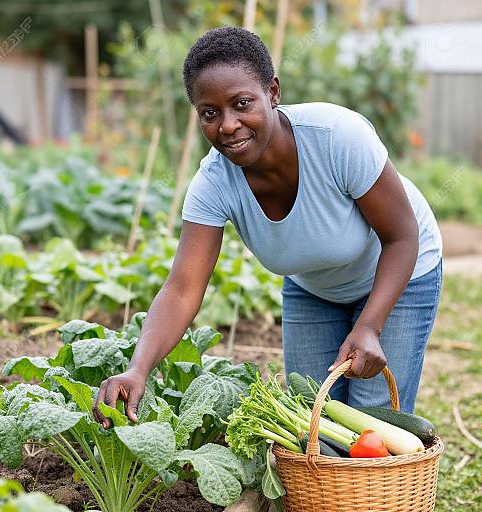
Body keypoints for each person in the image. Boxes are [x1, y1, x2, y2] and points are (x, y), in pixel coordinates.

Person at [93, 26, 442, 428]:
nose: (227, 125)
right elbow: (182, 288)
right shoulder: (213, 184)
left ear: (273, 92)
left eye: (242, 103)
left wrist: (369, 326)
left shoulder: (337, 138)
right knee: (314, 419)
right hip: (314, 288)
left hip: (398, 272)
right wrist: (139, 369)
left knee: (370, 422)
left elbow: (401, 236)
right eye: (210, 113)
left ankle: (381, 491)